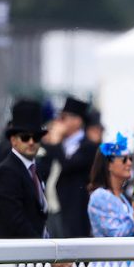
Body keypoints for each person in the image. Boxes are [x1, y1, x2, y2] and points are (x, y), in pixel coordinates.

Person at [0, 103, 51, 240]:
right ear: (13, 140)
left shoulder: (34, 169)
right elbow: (15, 221)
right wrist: (42, 249)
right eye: (25, 137)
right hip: (14, 255)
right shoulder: (6, 171)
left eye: (36, 137)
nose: (31, 142)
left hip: (32, 253)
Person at [40, 96, 98, 238]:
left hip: (73, 212)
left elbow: (68, 165)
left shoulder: (88, 146)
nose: (59, 122)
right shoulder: (57, 145)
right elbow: (43, 169)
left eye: (63, 118)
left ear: (77, 121)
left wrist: (55, 143)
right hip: (51, 206)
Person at [87, 133, 134, 237]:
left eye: (130, 158)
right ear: (108, 165)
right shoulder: (99, 196)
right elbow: (116, 235)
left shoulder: (121, 197)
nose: (129, 163)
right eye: (124, 159)